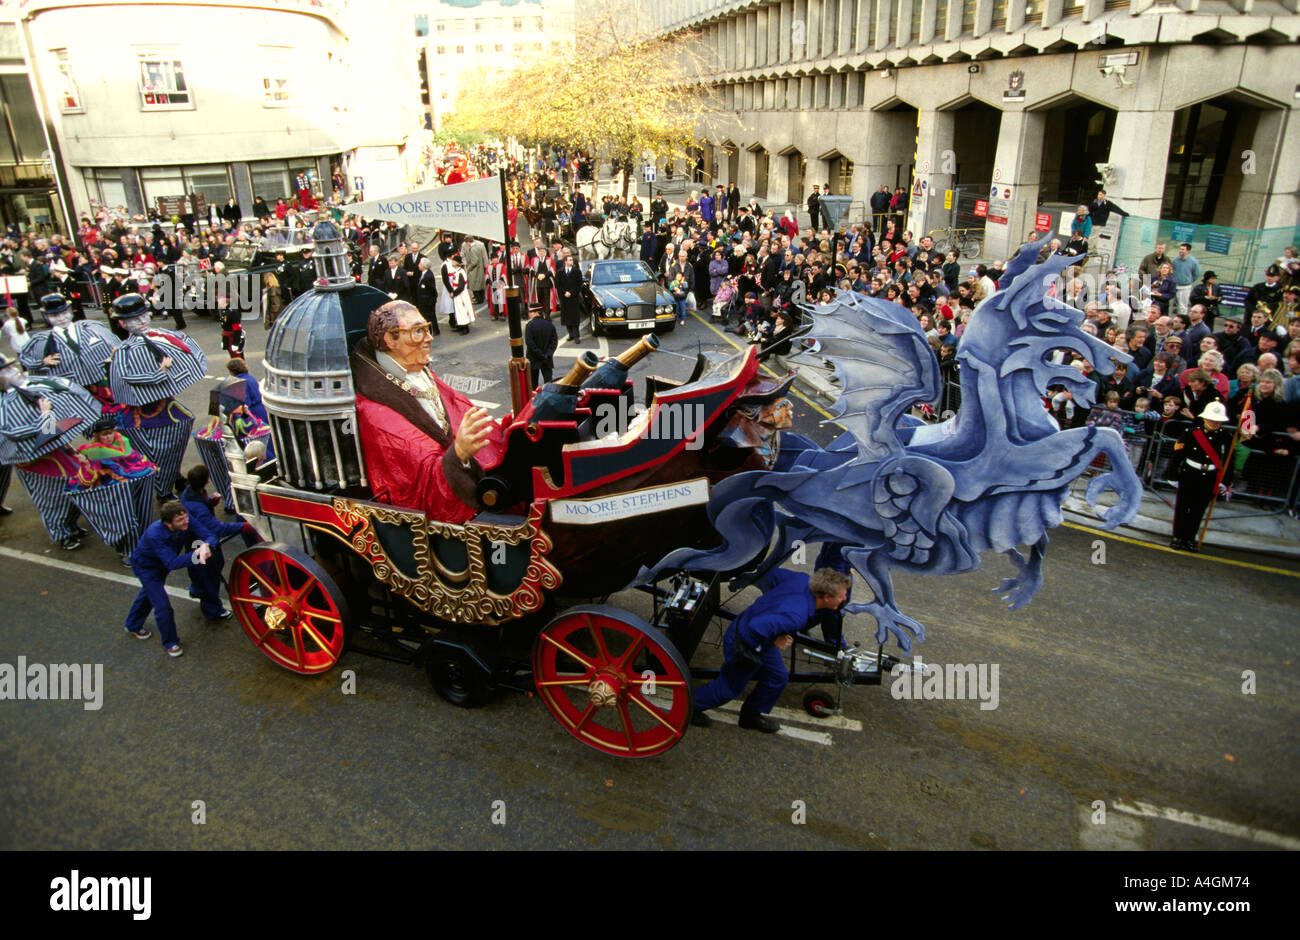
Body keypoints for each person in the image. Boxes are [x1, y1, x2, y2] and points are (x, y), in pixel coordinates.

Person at [349, 300, 502, 524]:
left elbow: (453, 407)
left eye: (426, 329)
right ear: (390, 339)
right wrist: (457, 454)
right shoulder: (375, 411)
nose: (429, 338)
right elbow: (414, 481)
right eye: (417, 332)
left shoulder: (415, 369)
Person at [691, 567, 852, 733]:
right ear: (826, 597)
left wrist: (773, 605)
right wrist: (776, 640)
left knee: (777, 677)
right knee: (729, 688)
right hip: (746, 641)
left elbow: (772, 575)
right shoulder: (796, 617)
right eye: (841, 596)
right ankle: (690, 707)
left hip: (757, 630)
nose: (844, 598)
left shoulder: (803, 580)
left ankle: (750, 716)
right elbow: (756, 628)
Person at [124, 500, 231, 657]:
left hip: (160, 565)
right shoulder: (155, 534)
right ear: (168, 523)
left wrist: (206, 545)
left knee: (149, 593)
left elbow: (209, 534)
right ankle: (171, 643)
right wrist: (197, 555)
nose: (185, 521)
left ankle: (132, 624)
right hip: (147, 568)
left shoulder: (185, 519)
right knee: (162, 606)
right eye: (180, 520)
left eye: (185, 517)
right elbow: (172, 563)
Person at [1168, 401, 1236, 551]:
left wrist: (1225, 481)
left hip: (1210, 477)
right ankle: (1177, 537)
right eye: (1211, 419)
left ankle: (1190, 538)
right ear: (1204, 418)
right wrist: (1172, 475)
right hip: (1189, 474)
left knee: (1198, 509)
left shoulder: (1226, 437)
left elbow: (1230, 461)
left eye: (1218, 420)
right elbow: (1177, 456)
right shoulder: (1191, 433)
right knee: (1183, 507)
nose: (1214, 423)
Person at [524, 302, 557, 388]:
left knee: (533, 384)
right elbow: (554, 342)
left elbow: (530, 343)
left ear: (536, 312)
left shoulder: (530, 326)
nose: (529, 314)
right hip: (547, 358)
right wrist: (547, 354)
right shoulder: (550, 325)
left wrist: (540, 354)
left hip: (534, 358)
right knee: (548, 382)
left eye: (530, 312)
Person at [554, 248, 583, 343]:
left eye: (572, 260)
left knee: (574, 317)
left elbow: (579, 284)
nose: (572, 261)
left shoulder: (577, 271)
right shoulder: (560, 272)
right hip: (564, 297)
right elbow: (558, 284)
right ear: (565, 262)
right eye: (570, 260)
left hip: (573, 297)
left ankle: (576, 336)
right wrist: (564, 293)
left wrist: (571, 292)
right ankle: (570, 334)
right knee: (566, 317)